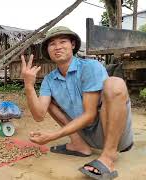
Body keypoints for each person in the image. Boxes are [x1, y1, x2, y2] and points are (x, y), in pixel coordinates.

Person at [21, 26, 133, 180]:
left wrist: (53, 135)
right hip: (85, 135)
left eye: (63, 41)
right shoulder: (49, 79)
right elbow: (39, 115)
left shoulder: (90, 67)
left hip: (112, 133)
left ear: (72, 45)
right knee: (50, 102)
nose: (58, 47)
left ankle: (108, 156)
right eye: (52, 44)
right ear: (47, 50)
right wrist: (28, 86)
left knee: (114, 84)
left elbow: (90, 115)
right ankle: (78, 145)